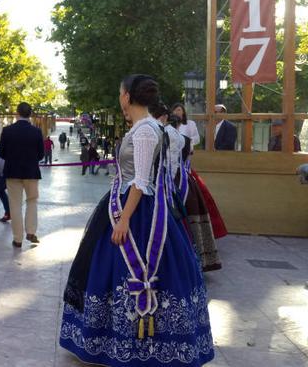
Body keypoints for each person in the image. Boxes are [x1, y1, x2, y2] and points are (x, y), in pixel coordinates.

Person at [60, 75, 214, 367]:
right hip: (134, 204)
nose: (119, 98)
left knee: (127, 271)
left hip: (140, 212)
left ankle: (138, 344)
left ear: (127, 96)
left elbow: (141, 182)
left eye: (120, 93)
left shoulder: (145, 130)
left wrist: (124, 220)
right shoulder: (152, 127)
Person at [172, 103, 228, 239]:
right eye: (175, 110)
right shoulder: (169, 126)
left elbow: (196, 138)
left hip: (184, 163)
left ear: (183, 112)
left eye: (180, 109)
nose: (178, 112)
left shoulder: (189, 124)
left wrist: (186, 142)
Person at [0, 102, 44, 248]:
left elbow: (2, 153)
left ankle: (17, 239)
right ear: (30, 114)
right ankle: (31, 231)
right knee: (32, 201)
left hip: (12, 172)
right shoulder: (36, 132)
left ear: (17, 113)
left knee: (15, 205)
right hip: (31, 172)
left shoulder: (7, 131)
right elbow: (41, 154)